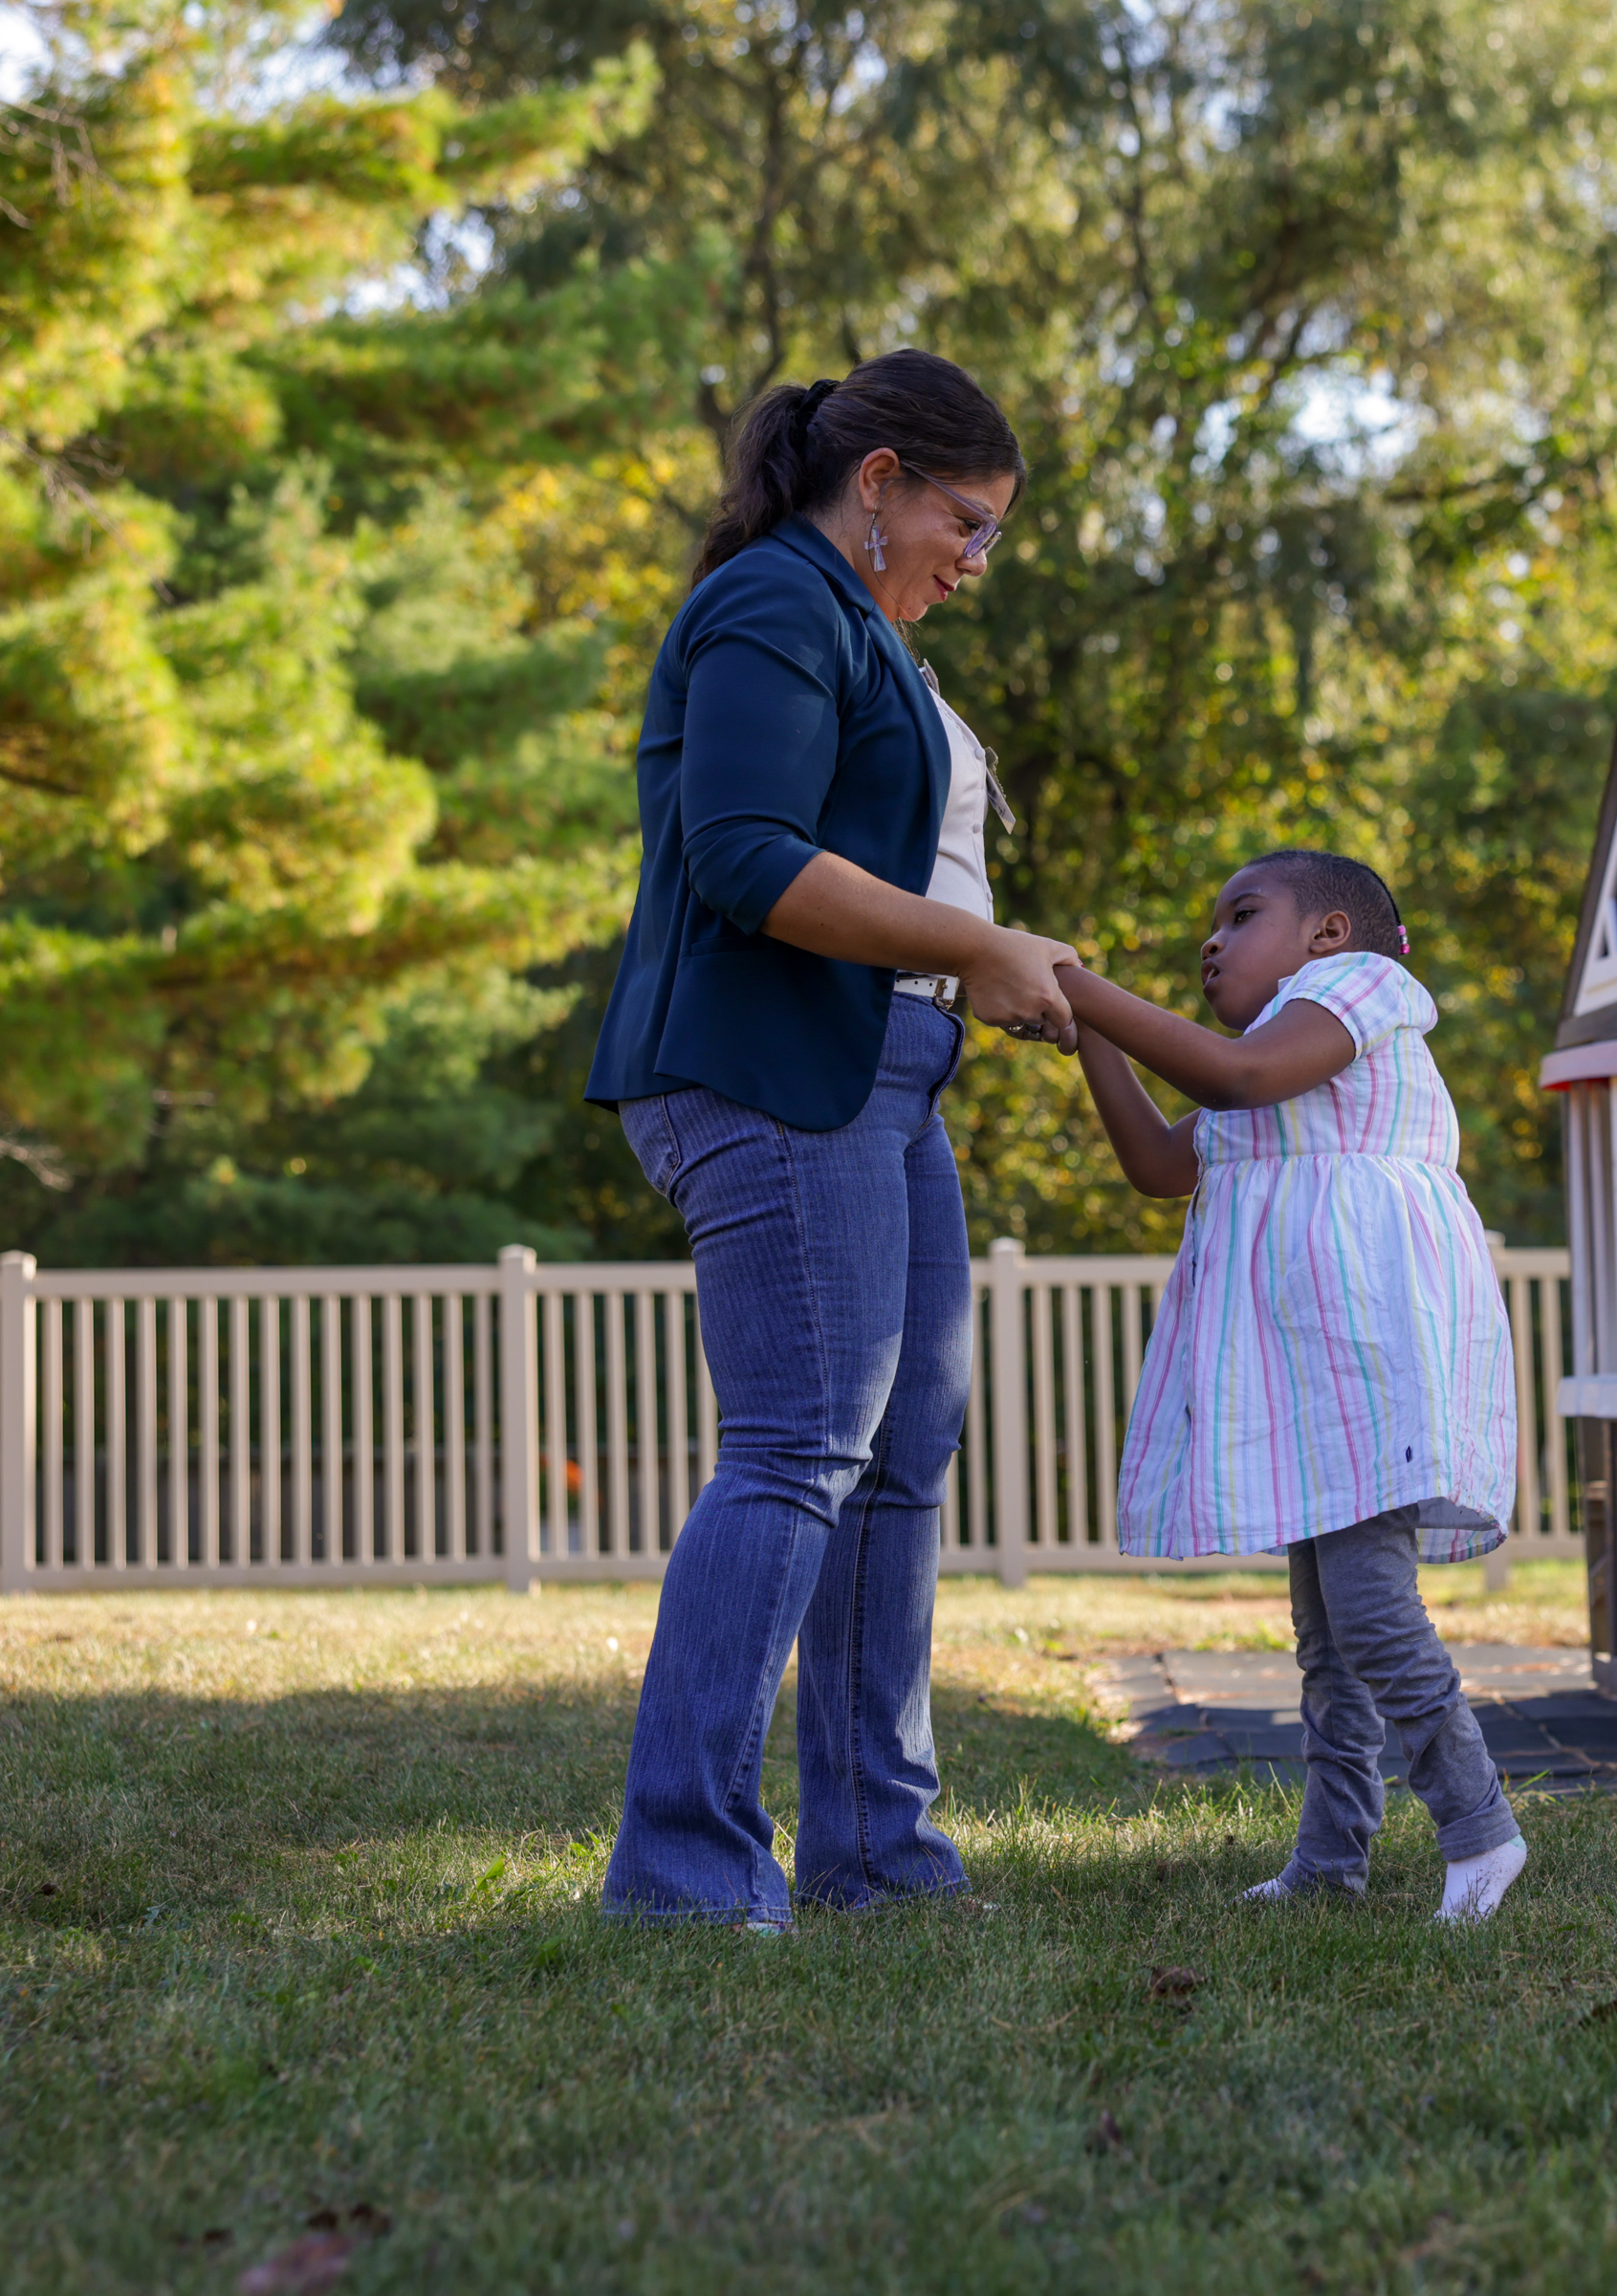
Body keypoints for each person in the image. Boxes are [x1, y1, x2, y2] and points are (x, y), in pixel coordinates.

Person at [582, 350, 1076, 1932]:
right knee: (802, 1444)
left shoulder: (859, 627)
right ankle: (687, 1873)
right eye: (970, 523)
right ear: (879, 484)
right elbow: (738, 855)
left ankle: (876, 1854)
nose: (978, 563)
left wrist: (981, 964)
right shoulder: (776, 606)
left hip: (886, 1066)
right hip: (774, 1071)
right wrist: (972, 944)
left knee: (899, 1455)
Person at [1057, 851, 1531, 1922]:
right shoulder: (1268, 1065)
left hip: (1366, 1353)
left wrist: (1087, 985)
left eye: (1242, 913)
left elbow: (1233, 1076)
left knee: (1369, 1606)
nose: (1212, 940)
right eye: (1210, 925)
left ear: (1327, 933)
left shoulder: (1351, 991)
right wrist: (1093, 1035)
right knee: (1328, 1633)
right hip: (1314, 1366)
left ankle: (1480, 1825)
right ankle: (1331, 1856)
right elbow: (1157, 1165)